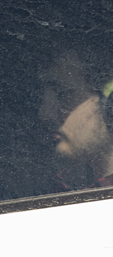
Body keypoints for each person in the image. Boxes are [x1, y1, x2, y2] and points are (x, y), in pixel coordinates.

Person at [38, 43, 113, 190]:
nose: (44, 114)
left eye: (63, 94)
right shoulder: (56, 188)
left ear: (109, 104)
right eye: (40, 97)